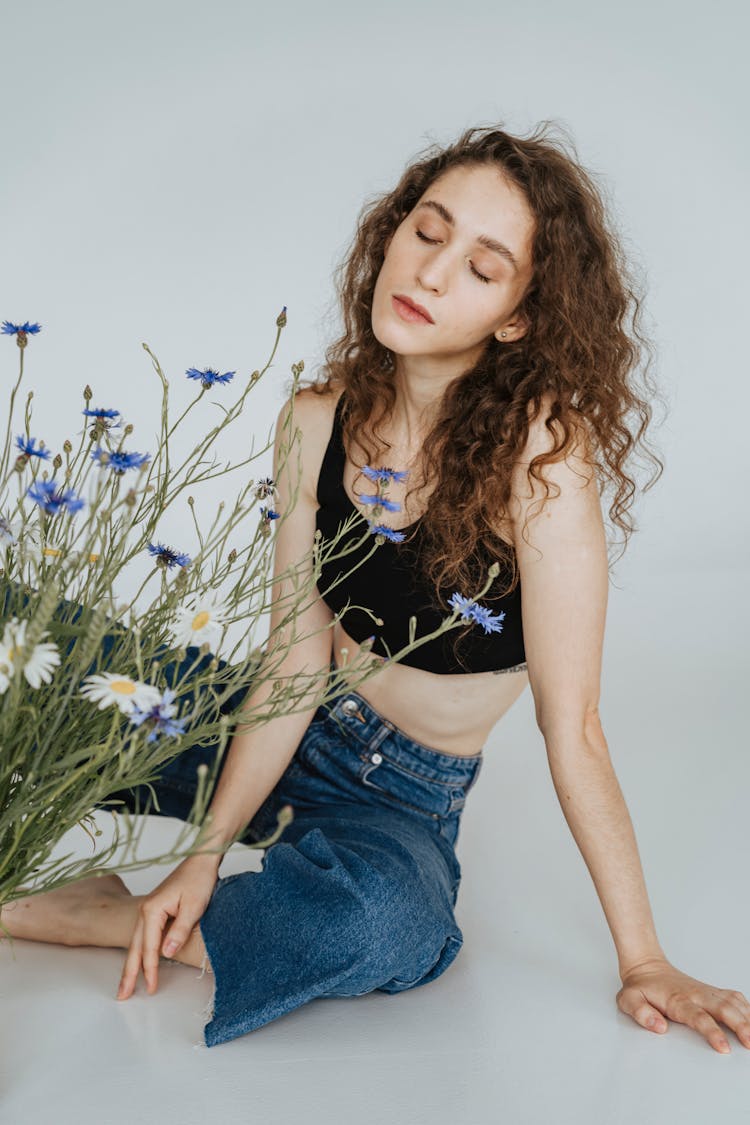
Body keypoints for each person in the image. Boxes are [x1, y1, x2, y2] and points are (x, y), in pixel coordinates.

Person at [4, 123, 749, 1054]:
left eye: (482, 267)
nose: (432, 273)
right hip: (267, 724)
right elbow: (290, 656)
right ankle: (180, 877)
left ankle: (95, 917)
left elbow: (577, 726)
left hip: (396, 803)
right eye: (427, 232)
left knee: (388, 926)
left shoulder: (544, 460)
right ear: (392, 232)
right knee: (27, 636)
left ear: (517, 315)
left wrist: (644, 960)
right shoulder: (316, 420)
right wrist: (202, 857)